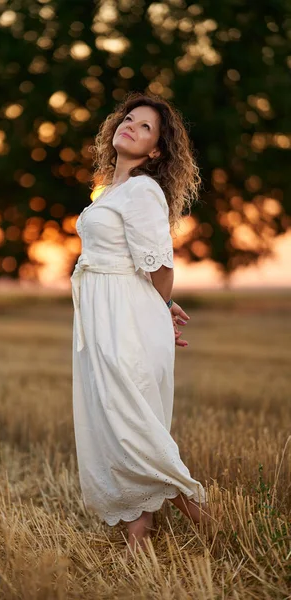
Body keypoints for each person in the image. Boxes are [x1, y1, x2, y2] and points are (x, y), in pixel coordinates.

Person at [70, 91, 213, 555]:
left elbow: (160, 265)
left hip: (125, 317)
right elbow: (133, 264)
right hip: (108, 312)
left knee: (129, 420)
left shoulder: (144, 191)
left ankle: (200, 510)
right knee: (113, 421)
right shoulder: (110, 191)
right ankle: (139, 531)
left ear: (155, 151)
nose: (130, 125)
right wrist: (164, 307)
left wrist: (159, 306)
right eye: (128, 118)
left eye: (145, 126)